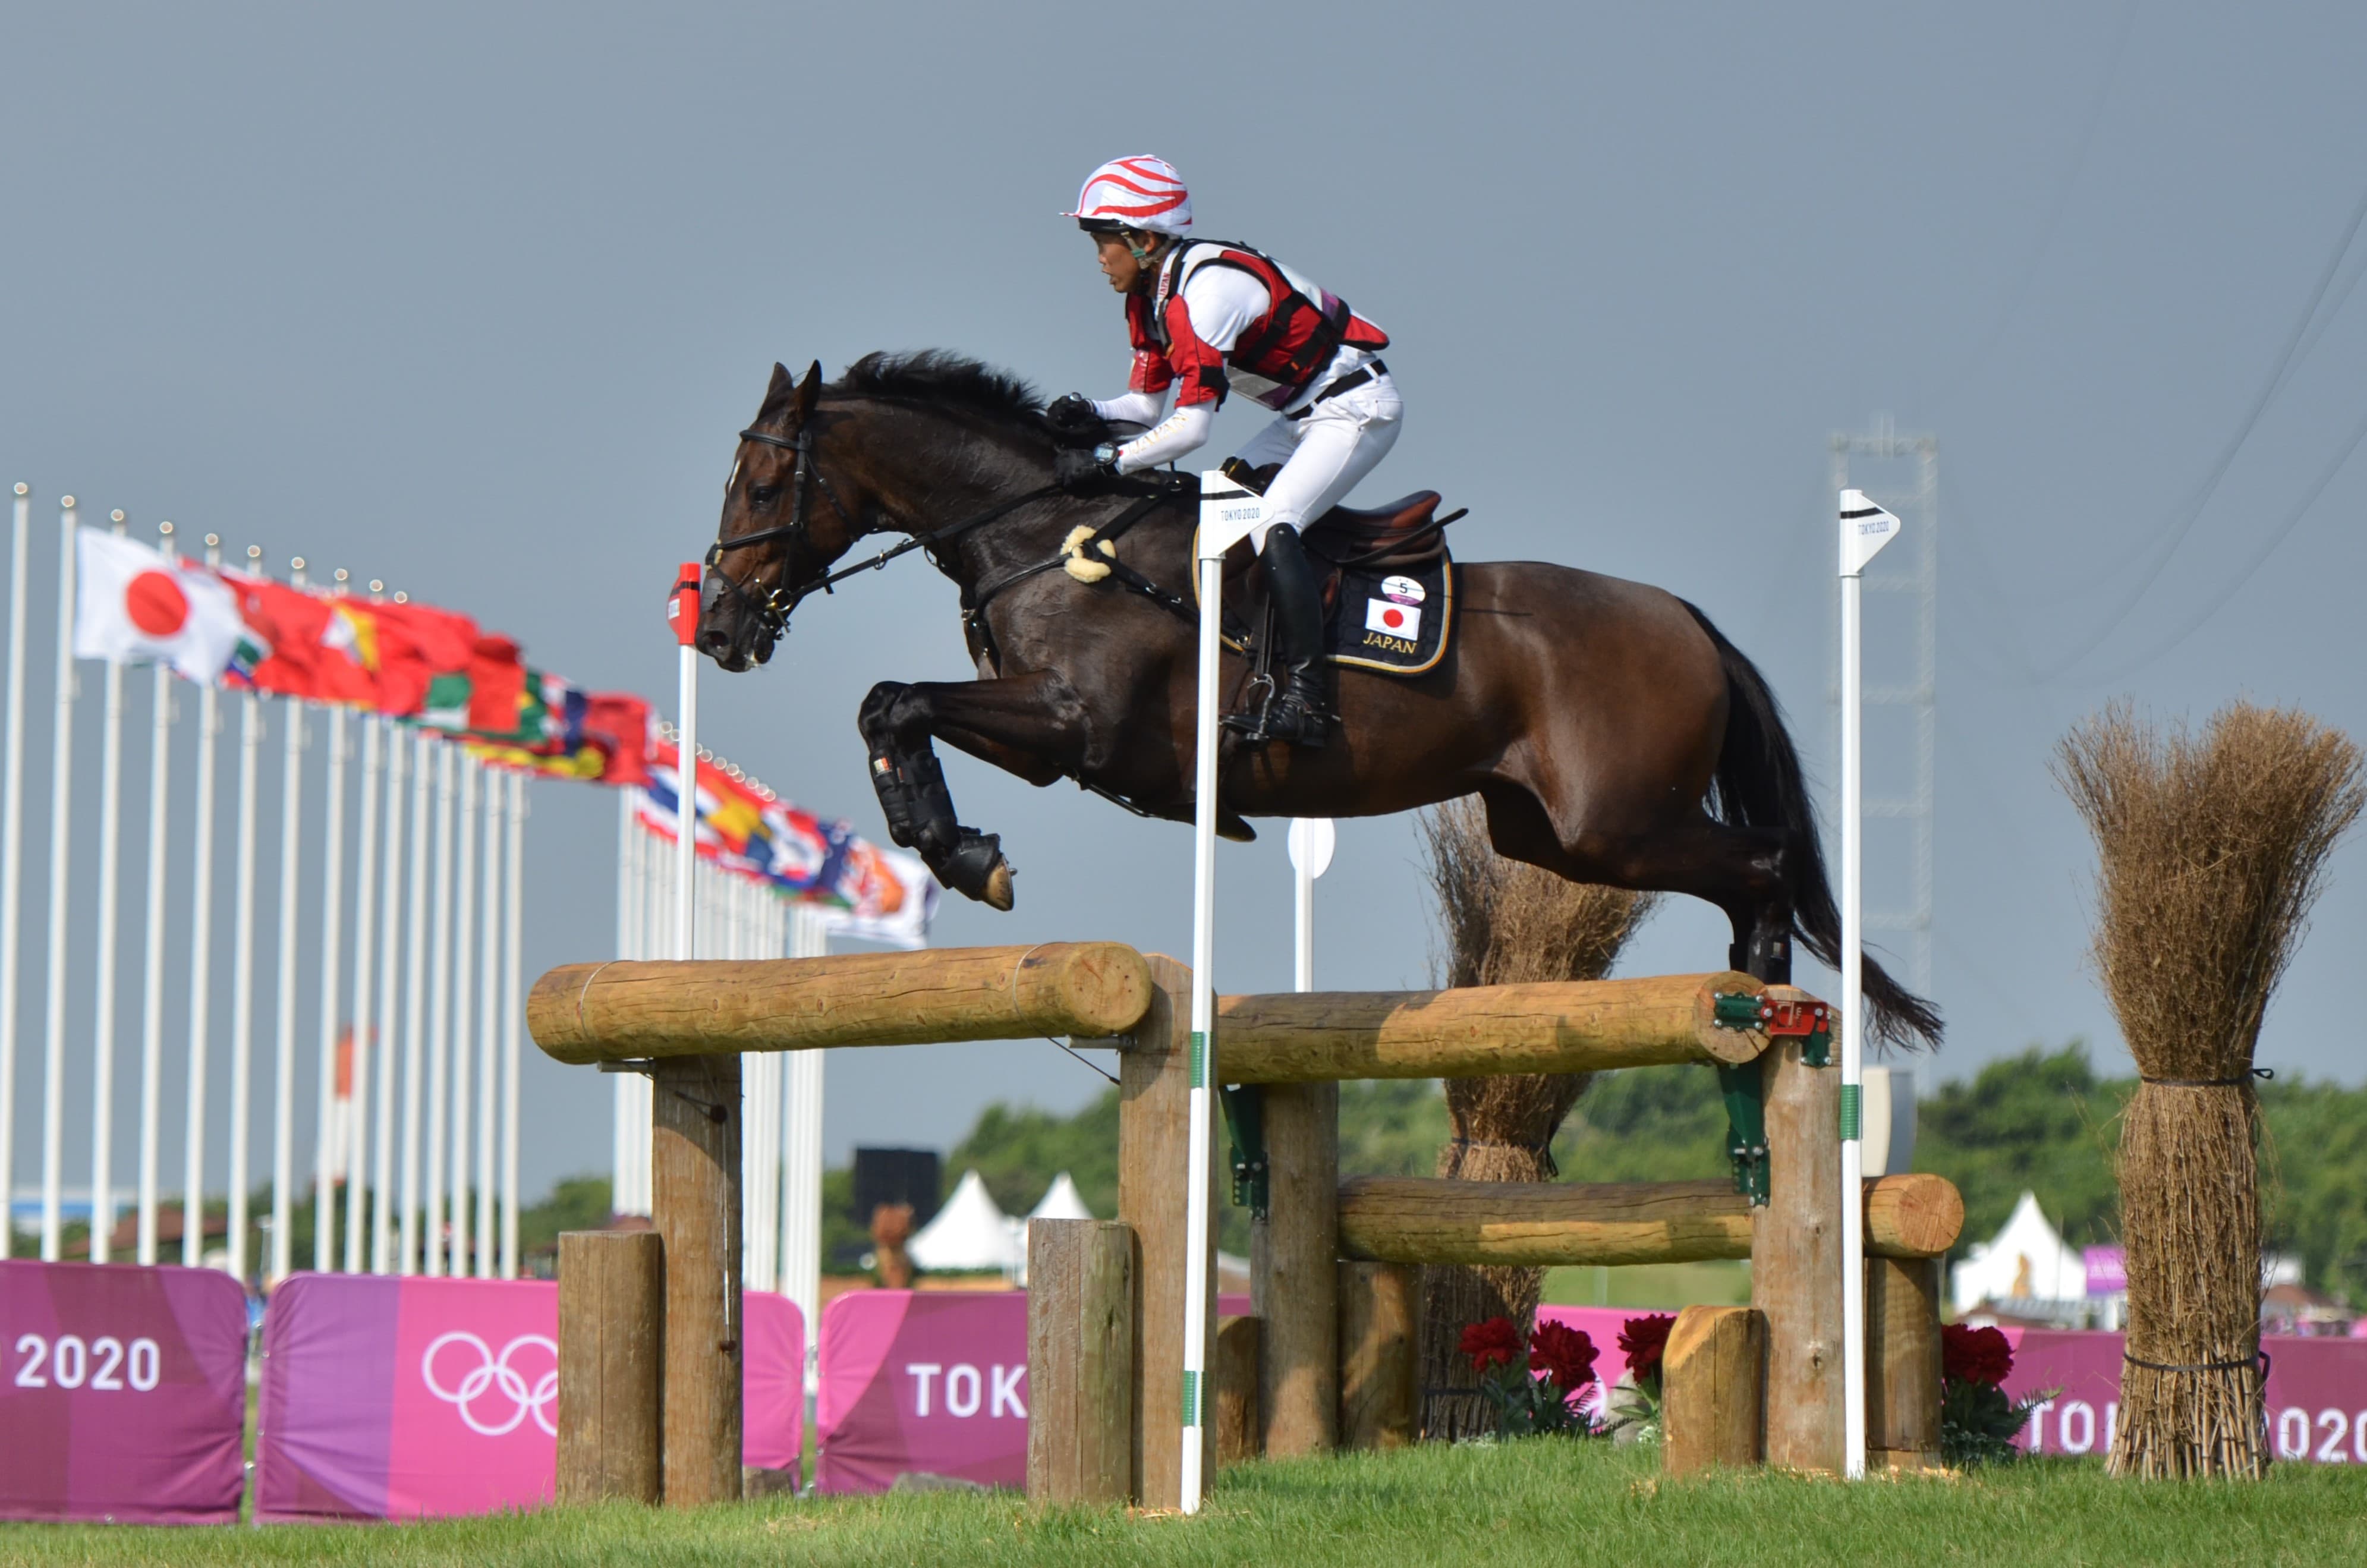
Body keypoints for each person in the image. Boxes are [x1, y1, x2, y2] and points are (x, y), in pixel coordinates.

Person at [1049, 155, 1400, 748]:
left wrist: (1107, 463)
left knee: (1271, 522)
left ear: (1141, 238)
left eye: (1102, 241)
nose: (1098, 258)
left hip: (1355, 410)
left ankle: (1311, 703)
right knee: (1220, 507)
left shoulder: (1204, 295)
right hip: (1302, 418)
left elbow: (1190, 430)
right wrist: (1088, 414)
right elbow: (1143, 409)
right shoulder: (1151, 296)